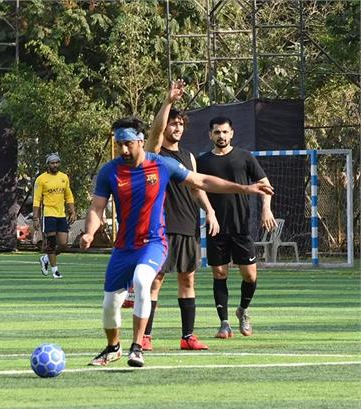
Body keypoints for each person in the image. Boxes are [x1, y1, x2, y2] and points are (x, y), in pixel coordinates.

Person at [81, 117, 273, 368]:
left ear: (141, 141)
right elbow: (97, 207)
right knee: (110, 304)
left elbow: (201, 182)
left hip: (153, 242)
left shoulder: (161, 164)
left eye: (128, 143)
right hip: (123, 247)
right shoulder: (110, 170)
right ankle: (113, 347)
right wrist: (89, 232)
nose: (123, 150)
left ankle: (137, 347)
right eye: (119, 144)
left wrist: (245, 189)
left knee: (143, 281)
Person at [141, 80, 218, 351]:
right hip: (160, 227)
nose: (176, 128)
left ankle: (188, 337)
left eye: (180, 124)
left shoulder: (189, 156)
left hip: (187, 225)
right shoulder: (153, 153)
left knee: (188, 279)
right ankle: (145, 337)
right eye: (173, 123)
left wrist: (209, 211)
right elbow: (155, 130)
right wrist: (168, 101)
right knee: (155, 281)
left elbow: (197, 188)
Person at [196, 116, 276, 339]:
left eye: (224, 132)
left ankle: (243, 310)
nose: (221, 136)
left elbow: (265, 186)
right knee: (219, 273)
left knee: (250, 276)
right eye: (216, 132)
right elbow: (196, 188)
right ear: (210, 135)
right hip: (216, 228)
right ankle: (224, 323)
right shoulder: (202, 162)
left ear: (232, 133)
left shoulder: (245, 157)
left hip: (241, 227)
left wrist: (266, 209)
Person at [32, 153, 76, 279]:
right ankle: (55, 270)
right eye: (52, 163)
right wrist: (35, 218)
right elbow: (36, 200)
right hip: (48, 214)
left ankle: (45, 258)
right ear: (48, 164)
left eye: (57, 162)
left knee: (63, 244)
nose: (55, 165)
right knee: (51, 243)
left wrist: (72, 211)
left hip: (61, 215)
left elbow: (68, 195)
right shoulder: (41, 179)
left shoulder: (64, 177)